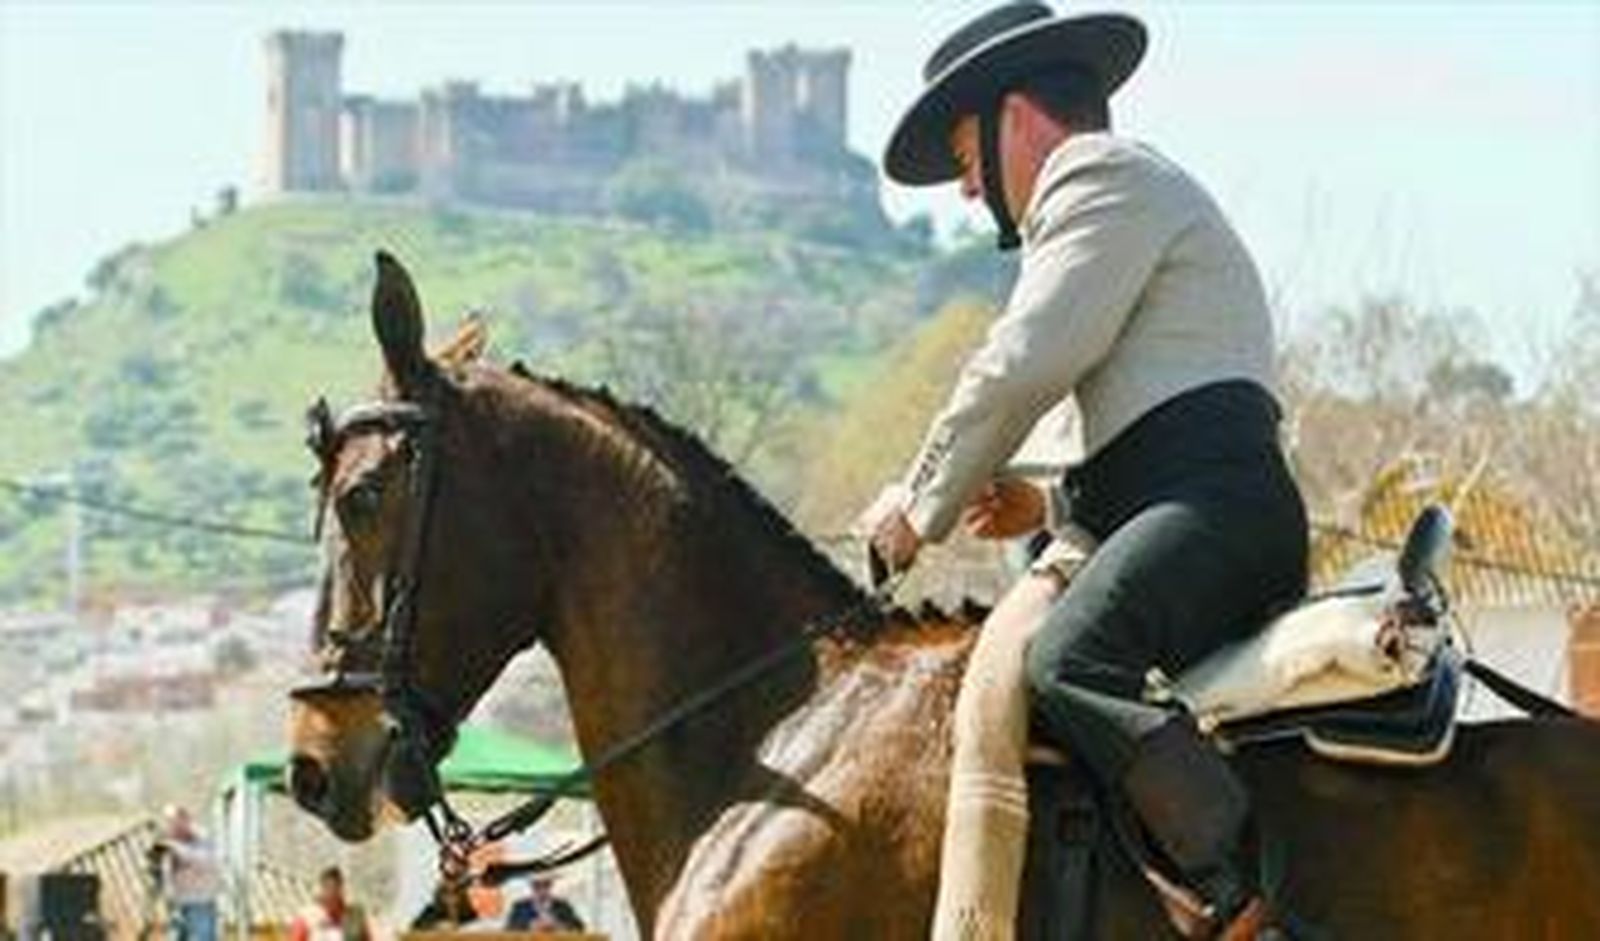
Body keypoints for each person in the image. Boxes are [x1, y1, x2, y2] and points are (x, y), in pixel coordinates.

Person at [862, 3, 1309, 938]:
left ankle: (1243, 895)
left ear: (1015, 115)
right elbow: (1144, 412)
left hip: (1219, 509)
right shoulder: (1119, 194)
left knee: (1071, 658)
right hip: (1190, 498)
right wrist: (1045, 499)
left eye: (966, 154)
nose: (966, 188)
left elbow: (1026, 358)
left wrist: (920, 505)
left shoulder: (1097, 174)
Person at [152, 805, 222, 941]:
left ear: (186, 820)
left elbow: (207, 861)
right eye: (169, 822)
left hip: (200, 903)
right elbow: (159, 871)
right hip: (176, 905)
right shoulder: (166, 843)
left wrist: (178, 851)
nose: (173, 826)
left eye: (176, 821)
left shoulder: (203, 839)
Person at [289, 867, 373, 941]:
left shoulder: (355, 918)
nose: (331, 896)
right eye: (328, 889)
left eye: (335, 890)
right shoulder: (306, 918)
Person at [502, 876, 584, 934]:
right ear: (532, 887)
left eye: (545, 885)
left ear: (550, 886)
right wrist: (529, 926)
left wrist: (557, 925)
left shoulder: (563, 906)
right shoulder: (519, 907)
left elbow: (579, 928)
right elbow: (508, 930)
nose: (541, 891)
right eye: (537, 886)